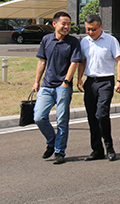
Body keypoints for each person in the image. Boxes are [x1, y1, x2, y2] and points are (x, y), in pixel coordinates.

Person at [32, 11, 84, 165]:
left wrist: (67, 82)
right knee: (39, 117)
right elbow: (42, 62)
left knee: (62, 119)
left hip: (63, 86)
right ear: (54, 24)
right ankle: (51, 141)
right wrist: (37, 81)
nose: (66, 27)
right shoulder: (46, 39)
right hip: (47, 85)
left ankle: (59, 151)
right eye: (64, 24)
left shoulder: (73, 42)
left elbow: (75, 62)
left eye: (68, 24)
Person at [77, 14, 120, 162]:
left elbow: (119, 61)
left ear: (101, 27)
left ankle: (109, 147)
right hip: (90, 81)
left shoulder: (111, 40)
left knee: (102, 114)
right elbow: (82, 61)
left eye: (93, 29)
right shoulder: (84, 42)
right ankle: (97, 150)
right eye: (87, 29)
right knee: (92, 116)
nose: (90, 32)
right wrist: (79, 79)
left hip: (106, 81)